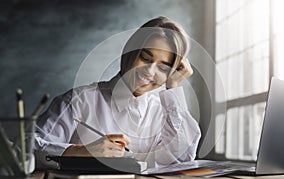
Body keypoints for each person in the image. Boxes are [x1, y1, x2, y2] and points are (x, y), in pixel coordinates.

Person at [34, 16, 201, 168]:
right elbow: (25, 148)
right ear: (130, 52)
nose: (149, 71)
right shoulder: (80, 100)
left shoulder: (166, 112)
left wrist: (173, 88)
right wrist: (81, 152)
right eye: (145, 58)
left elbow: (182, 160)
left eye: (163, 67)